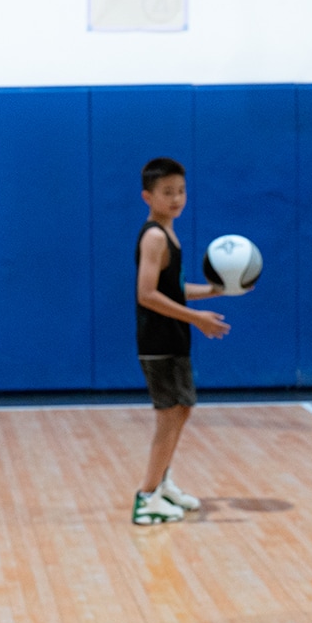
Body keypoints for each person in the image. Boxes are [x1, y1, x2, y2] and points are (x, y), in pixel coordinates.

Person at [131, 157, 232, 526]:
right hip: (158, 339)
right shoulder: (155, 236)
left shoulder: (169, 233)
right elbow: (147, 294)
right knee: (167, 417)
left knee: (182, 410)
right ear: (148, 196)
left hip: (174, 336)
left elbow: (173, 289)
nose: (176, 198)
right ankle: (146, 498)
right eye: (167, 192)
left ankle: (163, 483)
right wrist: (198, 320)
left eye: (181, 191)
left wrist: (216, 291)